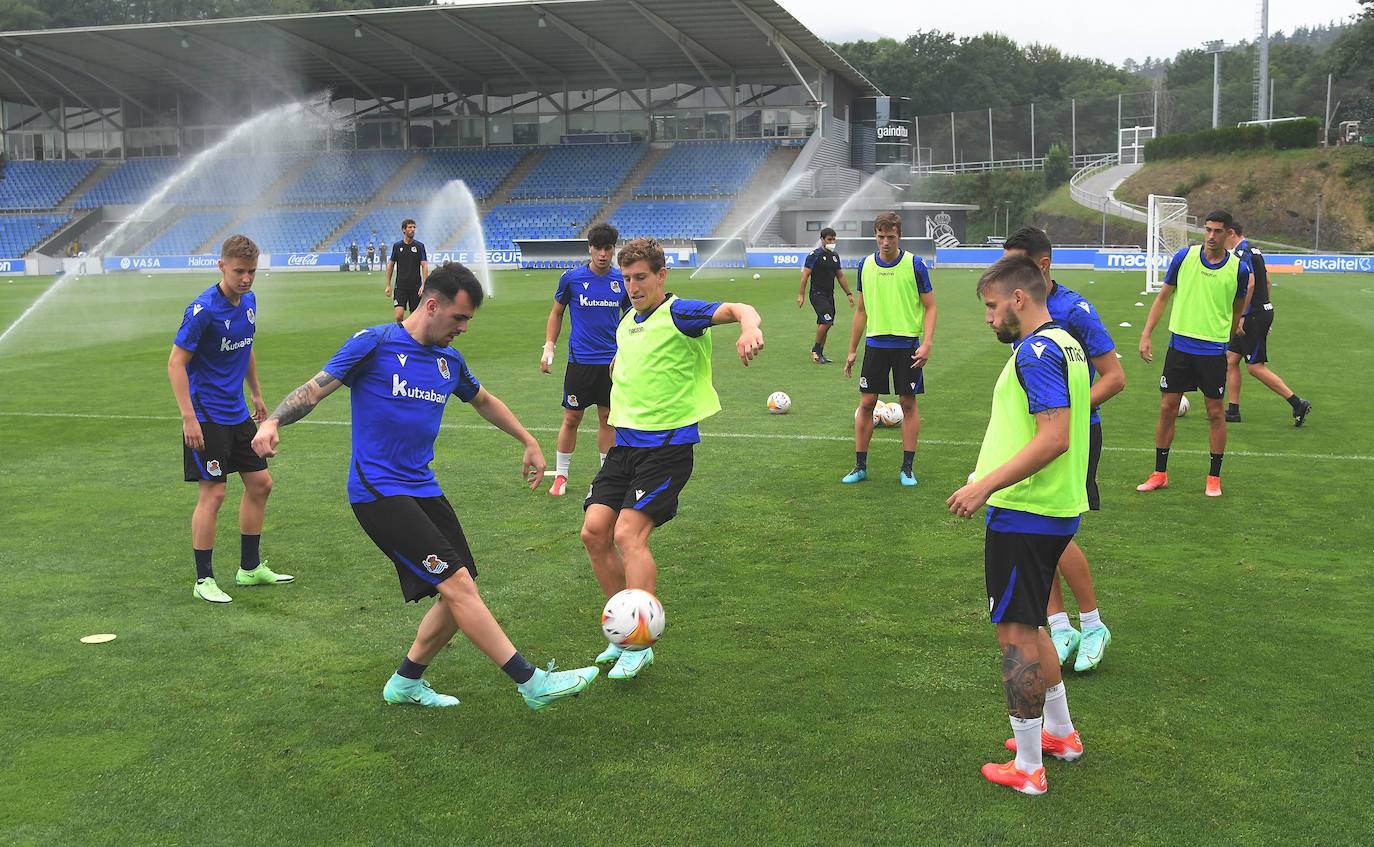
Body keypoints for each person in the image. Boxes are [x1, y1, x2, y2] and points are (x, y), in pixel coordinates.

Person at [251, 262, 599, 711]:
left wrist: (528, 440)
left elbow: (485, 401)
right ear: (431, 305)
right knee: (456, 585)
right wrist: (274, 420)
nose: (464, 329)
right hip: (378, 492)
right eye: (459, 318)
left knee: (462, 585)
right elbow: (313, 390)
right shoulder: (374, 344)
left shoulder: (448, 361)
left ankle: (406, 682)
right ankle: (531, 682)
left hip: (423, 488)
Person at [579, 238, 764, 680]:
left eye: (641, 277)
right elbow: (629, 363)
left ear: (661, 275)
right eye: (626, 279)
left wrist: (749, 328)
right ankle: (622, 633)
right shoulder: (627, 322)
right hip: (624, 448)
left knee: (629, 534)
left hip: (666, 449)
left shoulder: (681, 313)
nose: (633, 286)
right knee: (593, 533)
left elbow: (739, 307)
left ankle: (639, 644)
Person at [948, 254, 1091, 796]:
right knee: (1031, 623)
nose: (988, 317)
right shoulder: (1065, 343)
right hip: (1050, 508)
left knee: (1013, 632)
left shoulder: (1035, 351)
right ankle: (1060, 735)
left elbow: (1054, 437)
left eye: (991, 305)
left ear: (1018, 299)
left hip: (1027, 511)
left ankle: (1029, 768)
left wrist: (986, 485)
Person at [1002, 227, 1124, 671]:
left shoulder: (1073, 310)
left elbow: (1114, 377)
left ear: (1043, 265)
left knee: (1056, 534)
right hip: (1035, 435)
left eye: (1016, 266)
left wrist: (1067, 410)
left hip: (1073, 437)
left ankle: (1092, 624)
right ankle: (1059, 625)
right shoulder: (1019, 307)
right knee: (1035, 529)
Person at [167, 234, 291, 604]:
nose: (247, 279)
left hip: (237, 413)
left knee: (260, 484)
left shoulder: (249, 301)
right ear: (221, 266)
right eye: (239, 271)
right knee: (215, 492)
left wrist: (256, 393)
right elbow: (176, 363)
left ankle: (249, 569)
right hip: (206, 416)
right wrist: (188, 417)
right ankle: (203, 579)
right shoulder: (203, 310)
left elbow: (246, 347)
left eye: (252, 272)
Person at [1137, 209, 1251, 497]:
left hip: (1212, 351)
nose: (1211, 236)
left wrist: (1227, 335)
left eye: (1218, 231)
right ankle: (1159, 473)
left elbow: (1238, 307)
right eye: (1208, 230)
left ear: (1228, 234)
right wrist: (1146, 334)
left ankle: (1214, 477)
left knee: (1215, 413)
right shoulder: (1184, 257)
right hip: (1179, 347)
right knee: (1167, 409)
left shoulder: (1238, 268)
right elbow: (1163, 296)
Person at [842, 211, 937, 487]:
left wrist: (927, 344)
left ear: (900, 236)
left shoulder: (915, 265)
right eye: (881, 237)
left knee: (908, 403)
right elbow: (861, 311)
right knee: (867, 404)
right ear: (875, 235)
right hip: (875, 345)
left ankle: (907, 469)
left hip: (907, 345)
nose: (885, 242)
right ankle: (860, 466)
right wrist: (852, 350)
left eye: (891, 237)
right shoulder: (865, 265)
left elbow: (930, 307)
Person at [540, 223, 627, 497]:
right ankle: (561, 476)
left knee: (607, 418)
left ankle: (605, 478)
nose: (602, 254)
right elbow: (556, 313)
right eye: (598, 248)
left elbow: (634, 316)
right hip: (580, 362)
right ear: (590, 248)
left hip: (611, 365)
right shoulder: (572, 279)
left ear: (614, 249)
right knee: (572, 418)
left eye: (608, 248)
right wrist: (549, 347)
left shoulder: (621, 281)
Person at [1224, 222, 1311, 426]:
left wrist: (1242, 316)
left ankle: (1297, 403)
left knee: (1255, 367)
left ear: (1231, 233)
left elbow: (1251, 283)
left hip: (1251, 315)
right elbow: (1268, 280)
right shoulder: (1254, 249)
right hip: (1260, 312)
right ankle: (1233, 410)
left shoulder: (1242, 252)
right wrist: (1266, 307)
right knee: (1231, 359)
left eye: (1222, 235)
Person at [796, 227, 854, 363]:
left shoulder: (835, 256)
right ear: (822, 240)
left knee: (825, 323)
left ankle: (820, 354)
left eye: (834, 239)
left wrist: (849, 294)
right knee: (827, 321)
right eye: (829, 239)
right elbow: (805, 275)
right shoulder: (814, 255)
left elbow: (840, 276)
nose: (832, 242)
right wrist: (801, 294)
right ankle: (815, 350)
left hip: (829, 294)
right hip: (817, 294)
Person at [385, 219, 429, 324]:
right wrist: (388, 285)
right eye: (410, 227)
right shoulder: (397, 246)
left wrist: (424, 285)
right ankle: (401, 336)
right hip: (400, 287)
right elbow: (391, 265)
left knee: (414, 318)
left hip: (415, 288)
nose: (412, 229)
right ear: (403, 230)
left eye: (414, 227)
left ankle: (411, 338)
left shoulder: (419, 246)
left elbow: (424, 265)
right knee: (399, 316)